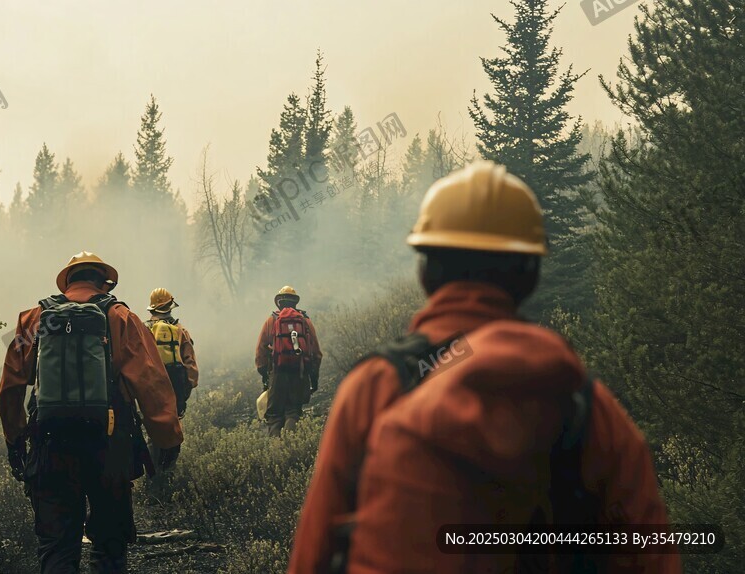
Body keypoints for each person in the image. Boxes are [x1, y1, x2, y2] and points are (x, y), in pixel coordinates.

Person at [288, 162, 680, 573]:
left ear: (426, 270)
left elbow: (313, 554)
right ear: (530, 274)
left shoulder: (376, 387)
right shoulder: (585, 404)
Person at [0, 251, 183, 574]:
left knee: (57, 546)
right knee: (109, 543)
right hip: (110, 445)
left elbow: (10, 388)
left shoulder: (33, 319)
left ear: (67, 281)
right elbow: (152, 383)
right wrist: (168, 439)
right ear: (104, 282)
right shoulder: (123, 318)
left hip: (50, 445)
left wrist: (15, 442)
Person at [143, 287, 198, 489]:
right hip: (175, 391)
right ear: (170, 306)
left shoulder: (144, 330)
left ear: (152, 309)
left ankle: (152, 481)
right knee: (174, 431)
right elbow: (190, 364)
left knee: (153, 433)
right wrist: (186, 390)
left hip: (151, 392)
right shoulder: (180, 331)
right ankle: (168, 477)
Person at [255, 286, 322, 437]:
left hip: (277, 373)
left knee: (274, 415)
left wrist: (265, 374)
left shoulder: (271, 320)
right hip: (300, 372)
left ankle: (276, 448)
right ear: (295, 302)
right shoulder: (305, 321)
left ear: (279, 302)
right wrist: (314, 378)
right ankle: (290, 445)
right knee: (293, 411)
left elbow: (260, 350)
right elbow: (316, 353)